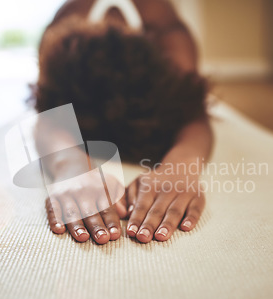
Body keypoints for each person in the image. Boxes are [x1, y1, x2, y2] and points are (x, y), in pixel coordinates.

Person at [33, 0, 213, 244]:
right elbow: (49, 116)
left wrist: (180, 167)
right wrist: (70, 164)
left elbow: (194, 116)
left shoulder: (170, 36)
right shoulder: (64, 29)